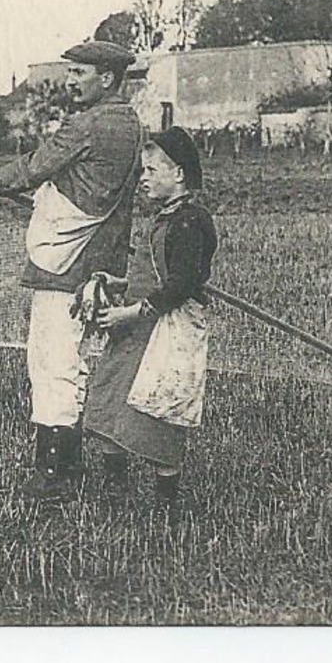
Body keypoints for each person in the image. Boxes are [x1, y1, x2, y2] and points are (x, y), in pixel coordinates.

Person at [0, 40, 144, 498]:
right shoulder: (130, 123)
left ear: (106, 78)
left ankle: (56, 473)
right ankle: (80, 462)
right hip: (103, 262)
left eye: (79, 73)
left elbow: (34, 168)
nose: (70, 81)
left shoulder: (86, 125)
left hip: (68, 263)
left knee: (53, 360)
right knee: (78, 359)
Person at [83, 127, 218, 510]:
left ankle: (166, 505)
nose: (143, 179)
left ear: (178, 174)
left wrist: (130, 312)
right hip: (136, 327)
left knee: (160, 411)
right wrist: (119, 282)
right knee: (108, 398)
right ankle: (115, 491)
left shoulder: (190, 221)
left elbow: (180, 285)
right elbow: (154, 273)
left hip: (166, 329)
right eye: (143, 171)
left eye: (151, 171)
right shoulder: (165, 216)